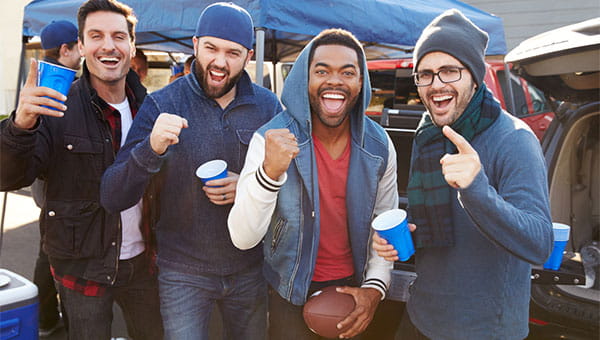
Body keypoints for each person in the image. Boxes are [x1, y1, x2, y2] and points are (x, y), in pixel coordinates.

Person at [100, 3, 282, 339]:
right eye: (211, 48)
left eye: (233, 52)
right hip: (182, 273)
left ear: (248, 56)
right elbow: (112, 195)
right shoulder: (162, 104)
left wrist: (247, 184)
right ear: (195, 45)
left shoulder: (268, 106)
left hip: (250, 270)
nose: (220, 62)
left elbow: (292, 185)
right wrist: (150, 148)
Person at [372, 9, 553, 339]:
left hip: (483, 330)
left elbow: (539, 244)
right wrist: (402, 240)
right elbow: (437, 225)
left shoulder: (514, 139)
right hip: (421, 316)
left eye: (449, 71)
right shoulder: (430, 135)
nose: (435, 85)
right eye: (424, 74)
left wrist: (475, 188)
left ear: (475, 75)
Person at [0, 0, 164, 339]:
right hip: (82, 267)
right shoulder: (55, 105)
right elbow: (9, 177)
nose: (108, 45)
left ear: (132, 46)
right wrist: (21, 124)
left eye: (119, 36)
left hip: (142, 265)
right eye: (96, 35)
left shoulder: (149, 108)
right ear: (82, 45)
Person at [228, 28, 398, 339]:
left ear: (361, 83)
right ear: (305, 79)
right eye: (322, 71)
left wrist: (375, 288)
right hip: (289, 289)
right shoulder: (269, 139)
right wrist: (269, 173)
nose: (334, 80)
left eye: (347, 72)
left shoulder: (379, 146)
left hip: (356, 288)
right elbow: (243, 238)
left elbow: (384, 222)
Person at [32, 19, 81, 338]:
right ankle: (48, 318)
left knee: (47, 249)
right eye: (79, 46)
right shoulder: (60, 85)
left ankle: (46, 317)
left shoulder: (38, 80)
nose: (83, 53)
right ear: (65, 50)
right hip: (56, 185)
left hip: (44, 185)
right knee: (52, 252)